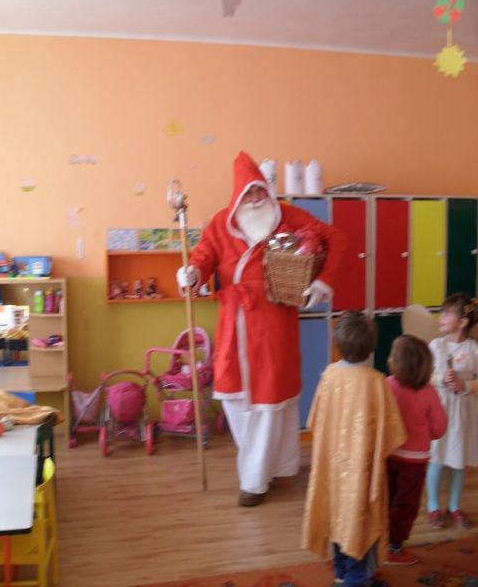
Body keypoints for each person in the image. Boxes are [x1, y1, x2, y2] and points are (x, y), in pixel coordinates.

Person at [176, 150, 347, 507]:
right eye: (247, 193)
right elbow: (203, 257)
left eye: (259, 191)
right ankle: (271, 466)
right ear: (237, 196)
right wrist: (192, 273)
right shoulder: (221, 223)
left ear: (267, 191)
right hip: (233, 324)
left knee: (271, 401)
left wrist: (323, 281)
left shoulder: (288, 217)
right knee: (236, 401)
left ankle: (256, 481)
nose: (255, 199)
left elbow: (336, 239)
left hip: (274, 322)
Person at [302, 311, 406, 587]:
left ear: (337, 344)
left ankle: (341, 573)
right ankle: (356, 580)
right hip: (362, 470)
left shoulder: (329, 375)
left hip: (332, 468)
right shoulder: (376, 382)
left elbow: (315, 421)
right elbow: (392, 435)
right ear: (372, 346)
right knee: (360, 520)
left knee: (338, 517)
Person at [385, 335, 447, 565]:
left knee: (386, 497)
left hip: (388, 453)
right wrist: (425, 434)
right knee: (406, 503)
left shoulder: (386, 385)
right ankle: (394, 546)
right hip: (414, 460)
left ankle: (380, 539)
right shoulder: (429, 392)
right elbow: (440, 427)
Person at [426, 293, 478, 530]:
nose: (441, 317)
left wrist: (464, 385)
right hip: (441, 411)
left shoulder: (474, 349)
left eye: (447, 314)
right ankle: (433, 506)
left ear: (463, 322)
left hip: (464, 413)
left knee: (458, 461)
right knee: (437, 458)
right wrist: (440, 379)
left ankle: (455, 506)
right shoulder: (436, 346)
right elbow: (424, 377)